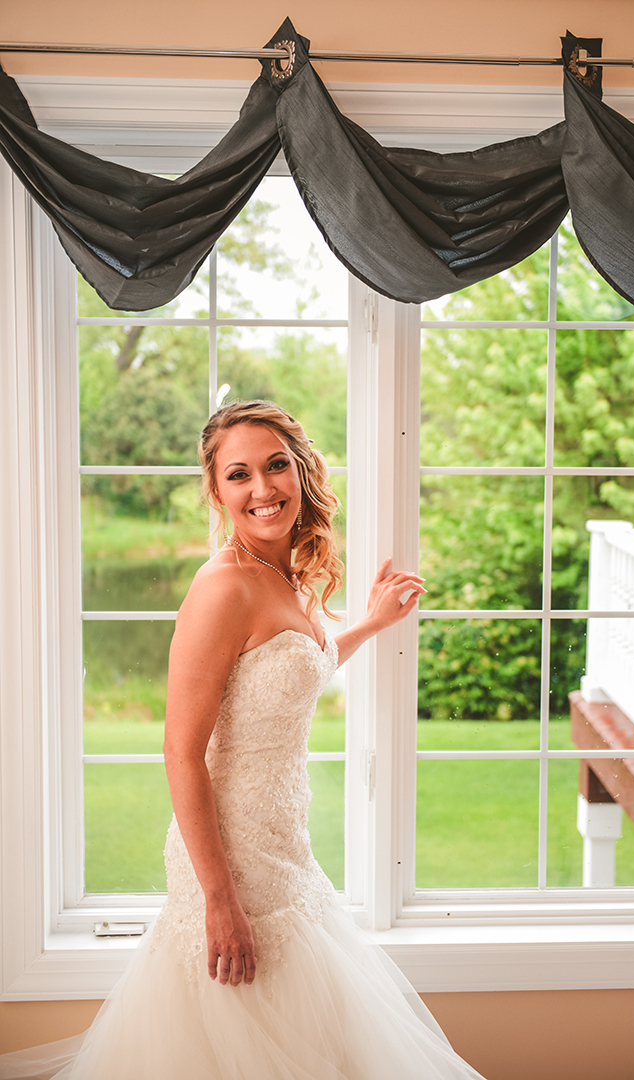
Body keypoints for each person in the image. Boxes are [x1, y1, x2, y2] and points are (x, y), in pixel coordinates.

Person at [0, 400, 486, 1080]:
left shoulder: (279, 573)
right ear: (216, 490)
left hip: (284, 852)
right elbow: (180, 751)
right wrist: (220, 900)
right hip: (230, 866)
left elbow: (285, 673)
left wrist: (370, 624)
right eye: (239, 475)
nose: (263, 489)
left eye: (276, 466)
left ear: (300, 470)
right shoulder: (221, 586)